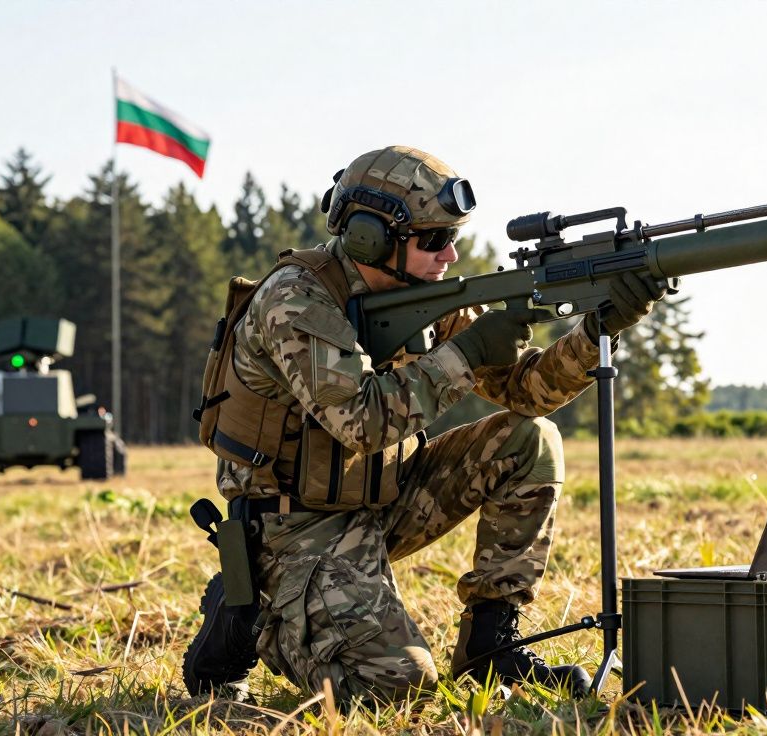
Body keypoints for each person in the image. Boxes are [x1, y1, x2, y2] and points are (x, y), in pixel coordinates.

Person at [182, 145, 665, 704]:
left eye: (452, 237)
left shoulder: (425, 297)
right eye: (434, 240)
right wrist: (466, 354)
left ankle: (490, 647)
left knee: (529, 441)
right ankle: (248, 615)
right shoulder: (296, 298)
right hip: (292, 528)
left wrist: (601, 327)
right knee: (399, 685)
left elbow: (526, 391)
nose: (451, 253)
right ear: (370, 237)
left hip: (381, 498)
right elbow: (359, 423)